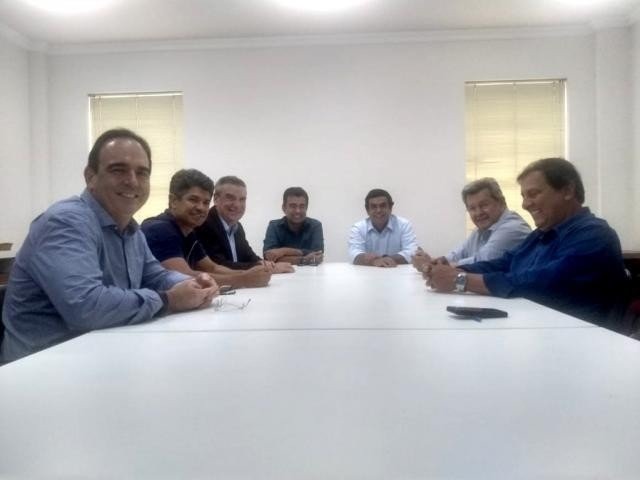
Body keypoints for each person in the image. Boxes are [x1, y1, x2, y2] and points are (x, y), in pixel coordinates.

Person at [1, 129, 218, 362]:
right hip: (42, 369)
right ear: (90, 176)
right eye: (118, 169)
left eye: (142, 173)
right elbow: (86, 307)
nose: (132, 181)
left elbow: (156, 275)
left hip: (101, 355)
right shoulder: (65, 222)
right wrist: (169, 299)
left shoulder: (131, 230)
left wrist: (192, 283)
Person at [425, 157, 628, 326]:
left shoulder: (595, 235)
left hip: (588, 343)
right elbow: (504, 262)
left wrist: (461, 280)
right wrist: (452, 271)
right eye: (523, 196)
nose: (525, 204)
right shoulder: (541, 233)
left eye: (533, 194)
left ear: (567, 191)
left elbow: (541, 282)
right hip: (540, 328)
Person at [141, 169, 272, 288]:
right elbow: (184, 277)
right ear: (173, 201)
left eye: (205, 202)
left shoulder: (188, 230)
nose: (201, 208)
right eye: (193, 200)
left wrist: (250, 273)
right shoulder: (159, 229)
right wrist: (243, 279)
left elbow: (213, 267)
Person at [412, 178, 531, 271]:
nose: (478, 213)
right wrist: (431, 261)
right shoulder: (481, 229)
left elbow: (482, 262)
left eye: (484, 205)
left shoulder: (512, 228)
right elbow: (457, 255)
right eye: (472, 208)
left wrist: (432, 266)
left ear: (501, 202)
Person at [196, 176, 293, 273]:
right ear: (216, 199)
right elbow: (219, 264)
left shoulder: (237, 227)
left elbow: (249, 256)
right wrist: (264, 268)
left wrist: (267, 264)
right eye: (230, 198)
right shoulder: (204, 224)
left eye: (242, 199)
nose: (237, 205)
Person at [348, 188, 418, 267]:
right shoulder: (358, 228)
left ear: (390, 208)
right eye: (374, 207)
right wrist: (374, 261)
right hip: (367, 274)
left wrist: (385, 259)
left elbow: (412, 251)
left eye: (383, 205)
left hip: (396, 271)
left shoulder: (404, 225)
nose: (378, 210)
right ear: (367, 210)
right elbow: (354, 253)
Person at [263, 187, 324, 265]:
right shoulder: (274, 226)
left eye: (302, 206)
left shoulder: (315, 226)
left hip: (311, 274)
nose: (297, 211)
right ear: (284, 208)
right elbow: (269, 257)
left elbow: (318, 255)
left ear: (306, 208)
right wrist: (303, 260)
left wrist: (283, 251)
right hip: (281, 275)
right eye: (293, 206)